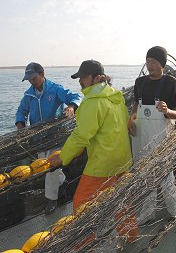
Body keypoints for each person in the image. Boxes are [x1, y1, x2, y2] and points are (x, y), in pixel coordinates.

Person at [49, 60, 138, 244]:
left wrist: (63, 157)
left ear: (97, 78)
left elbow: (81, 135)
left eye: (84, 77)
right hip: (122, 160)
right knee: (122, 200)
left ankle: (85, 244)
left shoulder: (92, 102)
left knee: (82, 204)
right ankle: (130, 237)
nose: (80, 80)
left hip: (102, 164)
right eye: (79, 77)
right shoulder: (116, 97)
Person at [15, 62, 82, 214]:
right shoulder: (28, 95)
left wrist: (71, 107)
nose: (32, 81)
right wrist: (20, 125)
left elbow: (76, 96)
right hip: (38, 139)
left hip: (55, 136)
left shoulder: (55, 89)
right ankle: (63, 183)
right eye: (29, 79)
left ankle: (52, 199)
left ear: (42, 74)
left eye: (33, 77)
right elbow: (22, 111)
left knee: (49, 167)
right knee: (44, 166)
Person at [128, 46, 176, 225]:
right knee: (143, 173)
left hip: (160, 133)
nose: (150, 65)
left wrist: (167, 110)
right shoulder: (139, 82)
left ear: (162, 64)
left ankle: (172, 209)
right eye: (148, 61)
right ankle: (148, 211)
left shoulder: (172, 83)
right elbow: (136, 103)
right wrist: (131, 119)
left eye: (154, 62)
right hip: (141, 134)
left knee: (165, 172)